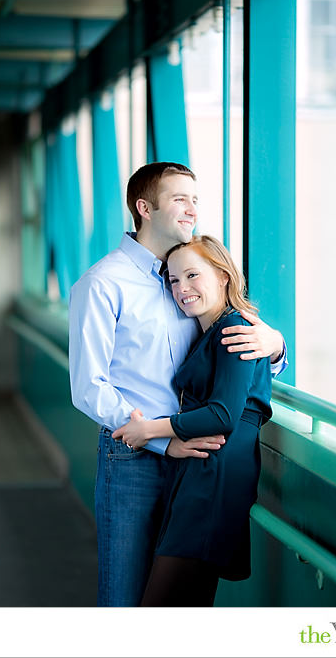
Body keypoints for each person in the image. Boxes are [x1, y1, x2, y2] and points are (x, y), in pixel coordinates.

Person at [69, 162, 287, 607]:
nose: (192, 209)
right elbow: (87, 386)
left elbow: (232, 358)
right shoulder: (103, 283)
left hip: (198, 460)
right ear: (144, 208)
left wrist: (276, 343)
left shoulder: (192, 276)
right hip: (135, 454)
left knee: (178, 599)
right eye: (179, 199)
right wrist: (160, 441)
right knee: (128, 594)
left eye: (195, 199)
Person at [112, 235, 271, 606]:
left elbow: (224, 414)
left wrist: (148, 430)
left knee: (162, 606)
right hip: (200, 471)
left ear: (222, 276)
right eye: (173, 279)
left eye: (192, 276)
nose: (182, 288)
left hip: (213, 477)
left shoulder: (236, 329)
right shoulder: (211, 331)